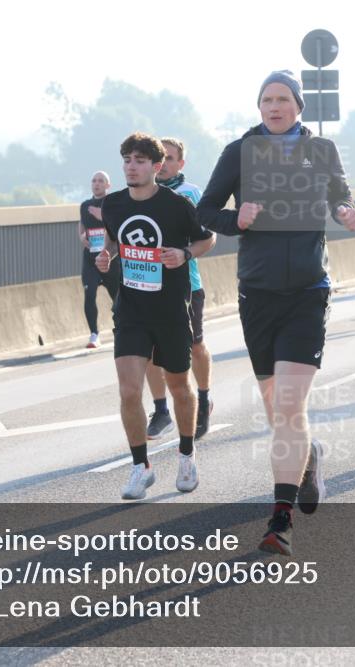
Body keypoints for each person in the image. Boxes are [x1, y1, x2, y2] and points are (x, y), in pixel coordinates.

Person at [196, 71, 355, 556]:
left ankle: (279, 520)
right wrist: (234, 220)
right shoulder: (237, 153)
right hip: (258, 292)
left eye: (282, 99)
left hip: (308, 290)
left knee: (288, 406)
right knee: (278, 411)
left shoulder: (321, 151)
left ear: (298, 106)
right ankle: (307, 461)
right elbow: (205, 211)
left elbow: (339, 197)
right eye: (266, 99)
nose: (273, 106)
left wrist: (347, 210)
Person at [95, 132, 215, 500]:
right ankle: (140, 467)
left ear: (157, 166)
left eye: (140, 161)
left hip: (170, 310)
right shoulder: (113, 204)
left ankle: (186, 454)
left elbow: (206, 238)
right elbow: (114, 239)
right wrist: (107, 254)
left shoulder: (176, 205)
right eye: (128, 160)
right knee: (129, 390)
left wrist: (185, 254)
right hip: (131, 309)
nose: (132, 166)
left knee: (179, 386)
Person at [144, 138, 215, 440]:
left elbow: (207, 236)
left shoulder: (190, 194)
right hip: (147, 284)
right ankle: (161, 410)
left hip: (187, 284)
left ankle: (203, 396)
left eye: (171, 158)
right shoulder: (142, 193)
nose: (165, 164)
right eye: (161, 158)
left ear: (180, 164)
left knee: (195, 347)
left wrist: (184, 253)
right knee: (148, 350)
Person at [79, 171, 119, 349]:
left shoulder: (114, 203)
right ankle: (94, 334)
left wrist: (101, 214)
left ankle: (121, 329)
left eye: (101, 181)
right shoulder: (85, 204)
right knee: (89, 294)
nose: (96, 184)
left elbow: (119, 225)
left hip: (110, 257)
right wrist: (81, 236)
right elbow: (82, 223)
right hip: (90, 259)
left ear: (108, 185)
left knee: (117, 298)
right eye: (94, 180)